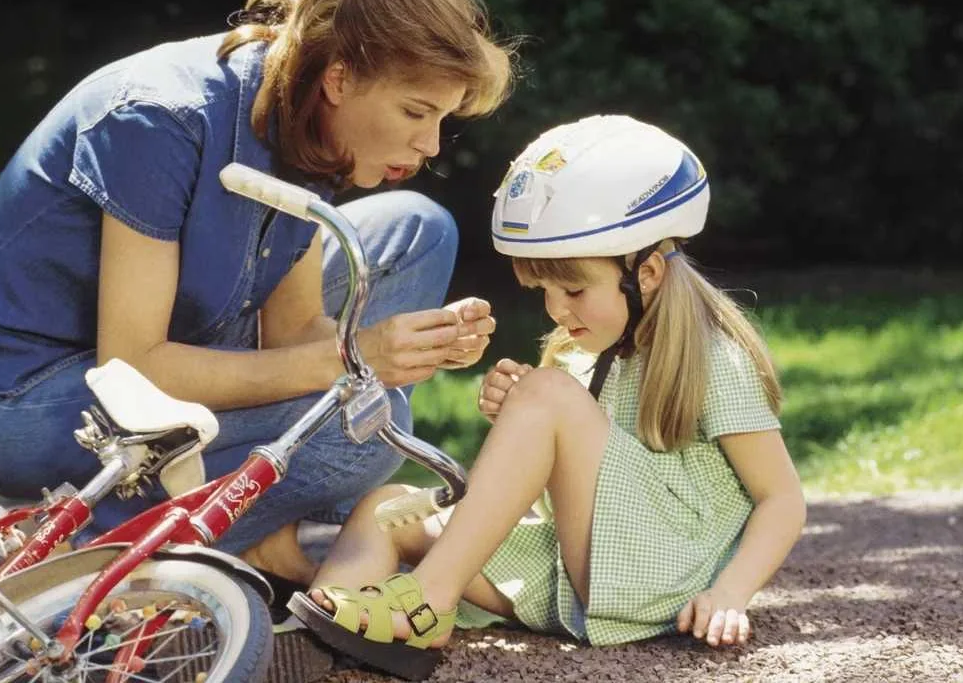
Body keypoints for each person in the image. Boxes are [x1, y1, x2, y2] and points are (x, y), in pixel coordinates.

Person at [0, 0, 515, 592]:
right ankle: (88, 551)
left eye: (443, 120)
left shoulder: (308, 111)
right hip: (18, 395)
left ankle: (279, 528)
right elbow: (135, 368)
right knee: (367, 433)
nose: (431, 144)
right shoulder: (158, 119)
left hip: (173, 347)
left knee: (415, 231)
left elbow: (293, 328)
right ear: (340, 79)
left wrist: (406, 350)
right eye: (416, 112)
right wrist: (356, 359)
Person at [290, 115, 807, 680]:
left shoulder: (711, 357)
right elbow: (571, 467)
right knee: (386, 509)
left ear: (649, 272)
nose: (557, 310)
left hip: (660, 574)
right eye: (545, 291)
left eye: (574, 288)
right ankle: (326, 627)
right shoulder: (587, 347)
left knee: (546, 393)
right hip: (570, 565)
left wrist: (730, 593)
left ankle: (425, 601)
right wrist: (518, 414)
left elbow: (781, 498)